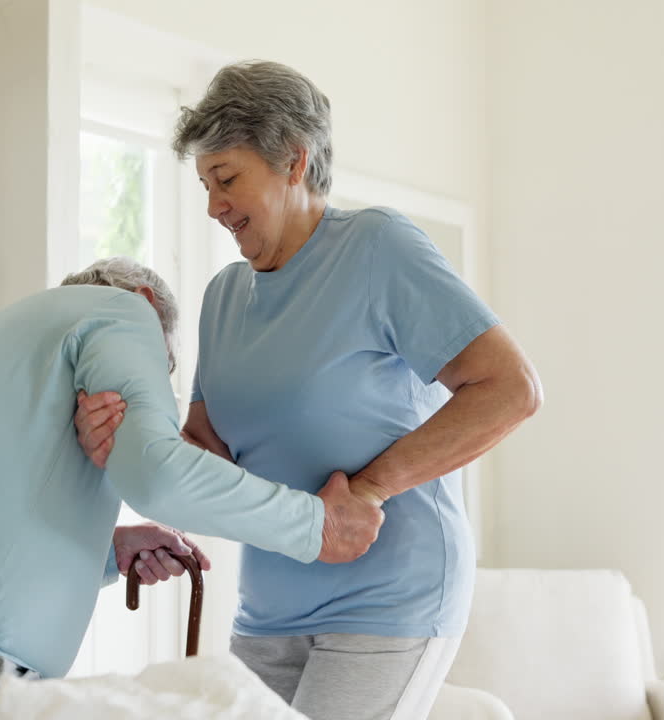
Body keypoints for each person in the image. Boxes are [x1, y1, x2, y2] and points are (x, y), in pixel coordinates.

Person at [75, 61, 543, 720]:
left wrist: (371, 489)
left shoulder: (377, 247)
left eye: (227, 179)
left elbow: (510, 388)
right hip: (268, 609)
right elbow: (208, 454)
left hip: (391, 595)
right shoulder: (224, 296)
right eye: (205, 184)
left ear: (294, 161)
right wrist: (124, 438)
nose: (213, 206)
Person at [0, 256, 386, 719]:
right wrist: (318, 526)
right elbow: (159, 471)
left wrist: (107, 550)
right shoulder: (121, 312)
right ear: (145, 304)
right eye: (162, 368)